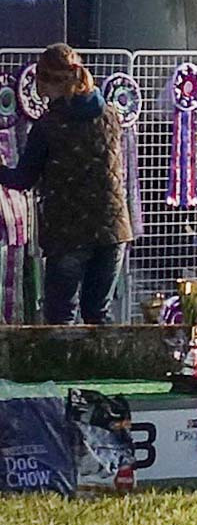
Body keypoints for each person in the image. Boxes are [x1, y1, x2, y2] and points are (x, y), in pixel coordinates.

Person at [0, 44, 132, 324]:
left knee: (61, 320)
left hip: (69, 233)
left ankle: (63, 369)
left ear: (44, 82)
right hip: (114, 230)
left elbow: (22, 179)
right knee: (99, 315)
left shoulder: (48, 127)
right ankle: (109, 367)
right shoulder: (109, 115)